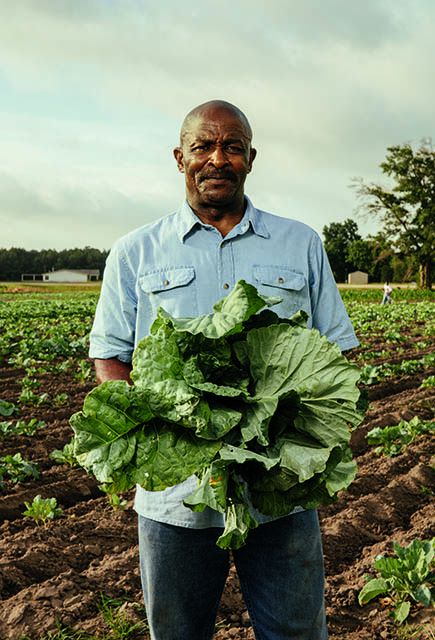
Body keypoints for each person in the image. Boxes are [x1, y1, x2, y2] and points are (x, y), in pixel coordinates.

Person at [89, 99, 359, 640]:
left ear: (251, 158)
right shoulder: (134, 251)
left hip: (279, 491)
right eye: (203, 146)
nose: (218, 158)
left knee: (296, 633)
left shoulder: (299, 242)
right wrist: (172, 435)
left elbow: (337, 356)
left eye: (232, 147)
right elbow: (111, 357)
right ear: (179, 157)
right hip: (176, 499)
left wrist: (297, 437)